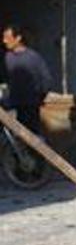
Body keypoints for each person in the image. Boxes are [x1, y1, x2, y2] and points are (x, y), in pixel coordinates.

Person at [1, 24, 53, 171]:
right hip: (12, 103)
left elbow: (47, 81)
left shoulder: (33, 57)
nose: (4, 41)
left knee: (31, 138)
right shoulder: (8, 57)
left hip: (29, 104)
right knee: (17, 137)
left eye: (7, 38)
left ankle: (36, 169)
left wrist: (37, 97)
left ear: (18, 38)